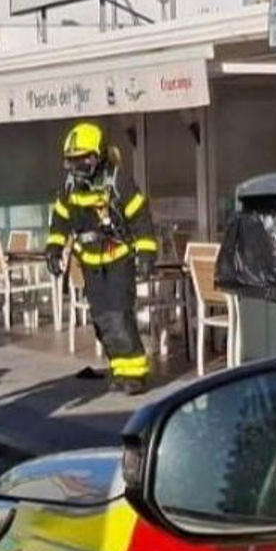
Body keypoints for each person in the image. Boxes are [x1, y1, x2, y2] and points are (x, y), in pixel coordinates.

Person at [45, 123, 159, 394]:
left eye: (84, 158)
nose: (78, 165)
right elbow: (60, 221)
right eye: (72, 160)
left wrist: (145, 254)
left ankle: (136, 375)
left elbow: (141, 219)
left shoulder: (119, 182)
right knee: (101, 319)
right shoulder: (70, 186)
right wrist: (52, 249)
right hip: (90, 263)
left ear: (98, 156)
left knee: (119, 316)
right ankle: (119, 370)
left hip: (117, 259)